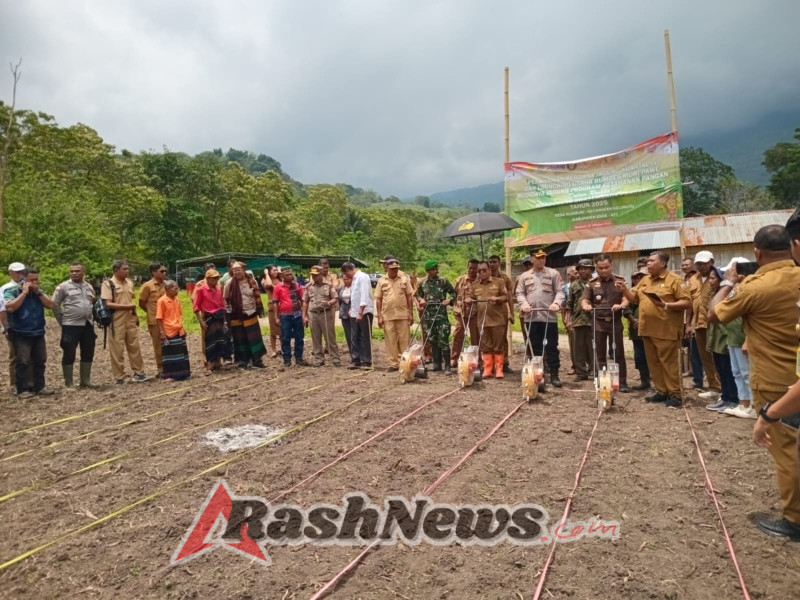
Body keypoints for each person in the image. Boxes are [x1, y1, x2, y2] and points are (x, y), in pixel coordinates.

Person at [711, 224, 800, 541]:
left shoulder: (754, 287)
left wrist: (727, 283)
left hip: (777, 382)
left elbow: (715, 314)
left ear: (757, 252)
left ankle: (794, 520)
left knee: (787, 452)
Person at [617, 251, 691, 408]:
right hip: (647, 329)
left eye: (651, 261)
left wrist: (666, 305)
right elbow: (633, 298)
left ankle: (676, 394)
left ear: (663, 263)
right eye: (648, 261)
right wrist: (624, 289)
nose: (648, 264)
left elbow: (686, 302)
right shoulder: (645, 280)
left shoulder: (675, 280)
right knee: (654, 363)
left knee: (669, 363)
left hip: (667, 330)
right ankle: (662, 391)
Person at [515, 248, 565, 388]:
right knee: (534, 347)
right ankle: (538, 374)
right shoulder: (525, 276)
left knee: (551, 347)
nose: (541, 260)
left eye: (543, 257)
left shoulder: (553, 273)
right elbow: (519, 293)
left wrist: (556, 303)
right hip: (532, 317)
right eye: (538, 257)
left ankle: (554, 374)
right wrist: (524, 304)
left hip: (549, 317)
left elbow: (560, 291)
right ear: (531, 259)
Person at [3, 268, 55, 398]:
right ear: (24, 279)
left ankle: (40, 386)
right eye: (31, 280)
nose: (34, 282)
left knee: (40, 360)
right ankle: (22, 389)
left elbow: (50, 305)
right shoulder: (12, 291)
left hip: (38, 332)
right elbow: (10, 307)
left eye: (36, 279)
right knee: (22, 362)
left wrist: (38, 293)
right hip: (21, 333)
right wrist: (24, 294)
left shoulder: (38, 293)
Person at [581, 253, 630, 392]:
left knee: (618, 352)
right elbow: (585, 300)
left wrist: (621, 305)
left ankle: (622, 382)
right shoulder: (591, 283)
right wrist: (586, 306)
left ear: (611, 266)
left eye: (606, 267)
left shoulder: (619, 281)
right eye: (600, 268)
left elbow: (626, 298)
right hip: (598, 322)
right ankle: (601, 380)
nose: (603, 270)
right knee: (599, 353)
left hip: (615, 321)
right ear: (596, 267)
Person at [716, 259, 756, 419]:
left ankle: (753, 405)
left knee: (747, 373)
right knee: (737, 372)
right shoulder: (734, 290)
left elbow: (752, 320)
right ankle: (743, 403)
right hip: (733, 337)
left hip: (742, 339)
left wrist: (747, 340)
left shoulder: (748, 290)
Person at [52, 262, 98, 390]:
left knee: (88, 351)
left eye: (77, 271)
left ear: (83, 272)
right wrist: (62, 321)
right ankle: (69, 383)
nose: (74, 273)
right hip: (71, 325)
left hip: (87, 324)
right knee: (69, 352)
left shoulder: (88, 286)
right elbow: (54, 304)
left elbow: (91, 302)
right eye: (72, 271)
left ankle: (85, 380)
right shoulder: (63, 287)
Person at [102, 260, 148, 384]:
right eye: (125, 269)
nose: (127, 271)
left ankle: (139, 372)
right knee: (117, 348)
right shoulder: (108, 284)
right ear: (116, 270)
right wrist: (127, 307)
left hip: (130, 319)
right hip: (116, 320)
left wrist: (136, 315)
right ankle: (119, 376)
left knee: (134, 346)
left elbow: (131, 302)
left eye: (127, 269)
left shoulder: (129, 283)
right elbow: (108, 303)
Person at [704, 267, 739, 412]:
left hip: (725, 338)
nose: (710, 281)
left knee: (728, 370)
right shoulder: (715, 294)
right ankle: (725, 397)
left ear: (721, 280)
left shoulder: (729, 295)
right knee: (721, 369)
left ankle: (733, 398)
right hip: (716, 338)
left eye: (713, 278)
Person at [688, 251, 721, 398]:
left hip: (715, 324)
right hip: (699, 324)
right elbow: (690, 303)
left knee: (719, 357)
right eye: (698, 264)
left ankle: (725, 388)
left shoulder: (718, 277)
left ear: (711, 262)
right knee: (705, 357)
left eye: (704, 263)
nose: (701, 266)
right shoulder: (693, 279)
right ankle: (713, 387)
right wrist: (688, 324)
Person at [467, 261, 509, 379]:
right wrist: (469, 300)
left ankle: (499, 369)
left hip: (497, 320)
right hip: (482, 321)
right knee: (485, 346)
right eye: (479, 271)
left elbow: (506, 297)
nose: (481, 272)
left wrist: (497, 298)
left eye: (484, 270)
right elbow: (471, 297)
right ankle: (488, 369)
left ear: (489, 270)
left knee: (498, 346)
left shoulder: (499, 282)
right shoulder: (475, 285)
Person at [416, 259, 456, 374]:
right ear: (428, 271)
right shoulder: (423, 283)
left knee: (443, 339)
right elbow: (418, 295)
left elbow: (453, 293)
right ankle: (437, 364)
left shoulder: (443, 281)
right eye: (433, 269)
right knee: (432, 339)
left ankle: (447, 366)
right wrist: (421, 300)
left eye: (436, 269)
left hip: (441, 315)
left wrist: (449, 300)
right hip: (429, 316)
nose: (436, 271)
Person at [224, 262, 267, 369]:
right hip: (236, 315)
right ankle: (243, 361)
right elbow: (225, 298)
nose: (237, 272)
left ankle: (257, 360)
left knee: (254, 338)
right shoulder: (229, 283)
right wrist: (228, 313)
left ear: (244, 270)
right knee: (240, 339)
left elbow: (257, 297)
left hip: (250, 312)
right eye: (234, 270)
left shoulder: (252, 282)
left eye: (239, 270)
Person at [374, 258, 414, 372]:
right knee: (390, 340)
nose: (394, 271)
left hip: (402, 314)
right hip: (388, 315)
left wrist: (411, 313)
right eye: (392, 269)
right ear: (387, 268)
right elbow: (379, 299)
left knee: (404, 340)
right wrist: (380, 316)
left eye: (396, 269)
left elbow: (409, 297)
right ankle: (393, 363)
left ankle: (405, 362)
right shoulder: (381, 281)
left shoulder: (404, 279)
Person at [193, 268, 230, 374]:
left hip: (219, 318)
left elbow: (222, 305)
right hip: (208, 318)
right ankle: (209, 364)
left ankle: (218, 362)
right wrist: (201, 321)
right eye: (214, 278)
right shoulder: (201, 290)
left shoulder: (218, 290)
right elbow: (196, 307)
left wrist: (225, 321)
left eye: (217, 278)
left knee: (220, 340)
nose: (216, 280)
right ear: (208, 279)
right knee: (209, 341)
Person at [303, 265, 340, 367]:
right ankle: (319, 359)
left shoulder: (328, 285)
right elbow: (305, 302)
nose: (314, 277)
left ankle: (335, 358)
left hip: (325, 313)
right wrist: (304, 316)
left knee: (330, 337)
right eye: (312, 275)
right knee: (316, 337)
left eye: (316, 275)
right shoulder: (309, 286)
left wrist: (328, 303)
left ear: (321, 274)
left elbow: (335, 298)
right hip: (313, 314)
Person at [273, 267, 309, 368]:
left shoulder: (297, 286)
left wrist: (304, 315)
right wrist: (276, 317)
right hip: (285, 316)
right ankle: (287, 359)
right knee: (285, 338)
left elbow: (303, 301)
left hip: (297, 314)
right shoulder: (278, 287)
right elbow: (275, 303)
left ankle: (299, 358)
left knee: (299, 337)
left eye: (291, 274)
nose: (290, 276)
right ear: (282, 276)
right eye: (287, 275)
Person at [1, 262, 28, 393]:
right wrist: (6, 327)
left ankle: (29, 382)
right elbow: (3, 310)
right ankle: (14, 384)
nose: (19, 274)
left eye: (21, 271)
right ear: (10, 273)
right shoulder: (5, 288)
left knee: (30, 356)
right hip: (13, 327)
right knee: (15, 356)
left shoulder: (29, 286)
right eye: (16, 272)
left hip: (28, 327)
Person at [622, 268, 651, 391]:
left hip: (652, 329)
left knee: (653, 356)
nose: (638, 279)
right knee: (639, 356)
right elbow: (625, 308)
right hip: (636, 330)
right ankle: (645, 382)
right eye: (635, 277)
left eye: (641, 276)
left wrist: (644, 321)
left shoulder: (653, 290)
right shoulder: (631, 292)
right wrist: (633, 320)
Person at [342, 263, 374, 369]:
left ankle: (366, 360)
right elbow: (355, 295)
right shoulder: (355, 279)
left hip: (364, 312)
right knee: (354, 336)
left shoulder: (362, 277)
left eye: (346, 273)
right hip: (354, 312)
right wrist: (352, 308)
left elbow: (364, 295)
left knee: (364, 337)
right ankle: (356, 359)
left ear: (348, 270)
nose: (346, 277)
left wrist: (360, 312)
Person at [157, 280, 191, 381]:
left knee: (181, 352)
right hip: (168, 329)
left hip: (178, 328)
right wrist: (162, 332)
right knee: (170, 354)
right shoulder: (162, 301)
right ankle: (170, 375)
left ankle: (183, 373)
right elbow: (159, 318)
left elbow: (179, 315)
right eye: (175, 289)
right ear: (167, 289)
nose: (177, 290)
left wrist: (182, 328)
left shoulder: (177, 299)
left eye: (177, 288)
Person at [565, 259, 593, 382]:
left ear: (591, 269)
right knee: (578, 348)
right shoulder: (574, 285)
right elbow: (569, 303)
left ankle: (595, 370)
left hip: (593, 319)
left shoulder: (595, 283)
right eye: (580, 268)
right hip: (578, 319)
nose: (583, 271)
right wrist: (568, 319)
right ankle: (581, 372)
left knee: (593, 347)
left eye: (586, 268)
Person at [138, 261, 167, 377]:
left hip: (168, 319)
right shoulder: (147, 286)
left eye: (165, 271)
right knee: (158, 345)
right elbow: (141, 302)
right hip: (154, 320)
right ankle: (161, 369)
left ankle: (170, 366)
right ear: (154, 272)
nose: (164, 273)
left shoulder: (167, 284)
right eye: (162, 271)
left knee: (169, 344)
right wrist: (150, 312)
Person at [451, 259, 480, 368]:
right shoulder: (460, 280)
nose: (472, 270)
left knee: (475, 337)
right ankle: (454, 358)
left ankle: (476, 359)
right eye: (470, 268)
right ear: (467, 267)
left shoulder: (480, 281)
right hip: (461, 314)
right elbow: (453, 295)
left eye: (475, 268)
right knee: (458, 335)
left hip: (475, 313)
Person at [488, 255, 514, 373]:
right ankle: (490, 364)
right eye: (490, 262)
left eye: (494, 262)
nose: (492, 264)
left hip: (501, 312)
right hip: (488, 312)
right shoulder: (484, 276)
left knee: (502, 338)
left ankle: (504, 363)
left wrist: (511, 313)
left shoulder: (505, 278)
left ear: (499, 263)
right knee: (488, 338)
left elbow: (509, 297)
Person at [261, 265, 282, 358]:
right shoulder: (265, 280)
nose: (276, 272)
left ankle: (283, 348)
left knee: (282, 329)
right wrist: (266, 274)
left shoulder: (279, 280)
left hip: (282, 306)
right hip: (272, 307)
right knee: (273, 330)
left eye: (276, 270)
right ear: (268, 271)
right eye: (273, 270)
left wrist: (280, 273)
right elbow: (269, 285)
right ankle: (273, 350)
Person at [562, 265, 578, 373]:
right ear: (568, 275)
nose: (577, 274)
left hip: (584, 318)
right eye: (574, 272)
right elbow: (564, 306)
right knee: (573, 343)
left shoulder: (586, 284)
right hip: (571, 318)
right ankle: (575, 366)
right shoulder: (565, 288)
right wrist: (565, 320)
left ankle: (589, 366)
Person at [338, 271, 354, 359]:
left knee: (355, 335)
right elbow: (339, 302)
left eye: (348, 279)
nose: (346, 281)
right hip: (344, 314)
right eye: (344, 279)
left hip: (354, 313)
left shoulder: (355, 288)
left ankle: (358, 354)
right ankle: (352, 355)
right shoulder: (340, 288)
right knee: (348, 335)